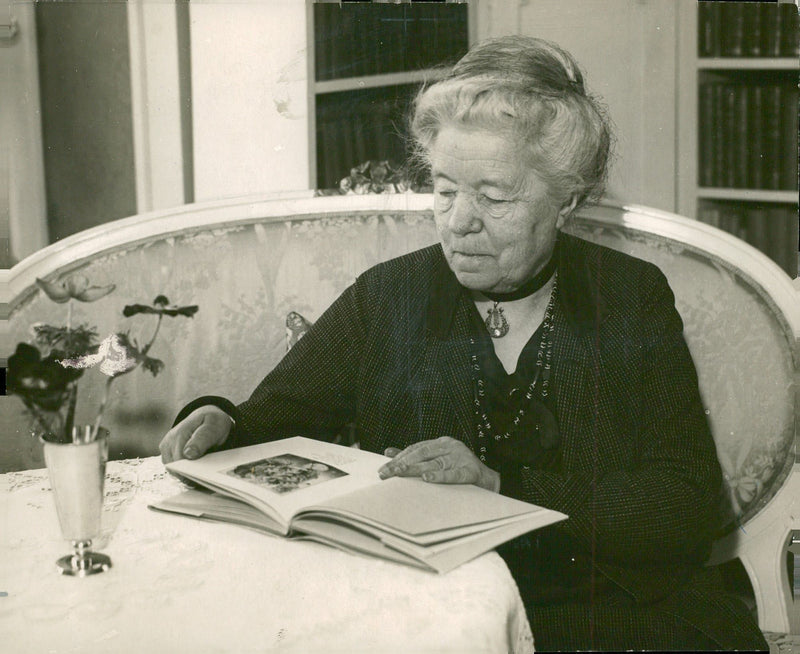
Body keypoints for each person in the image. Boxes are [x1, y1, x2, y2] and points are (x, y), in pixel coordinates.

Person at [160, 36, 768, 651]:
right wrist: (221, 422)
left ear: (567, 202)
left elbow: (684, 503)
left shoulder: (630, 296)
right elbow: (269, 421)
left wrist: (503, 487)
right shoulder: (387, 296)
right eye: (446, 190)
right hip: (433, 607)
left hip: (610, 607)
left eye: (495, 197)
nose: (459, 222)